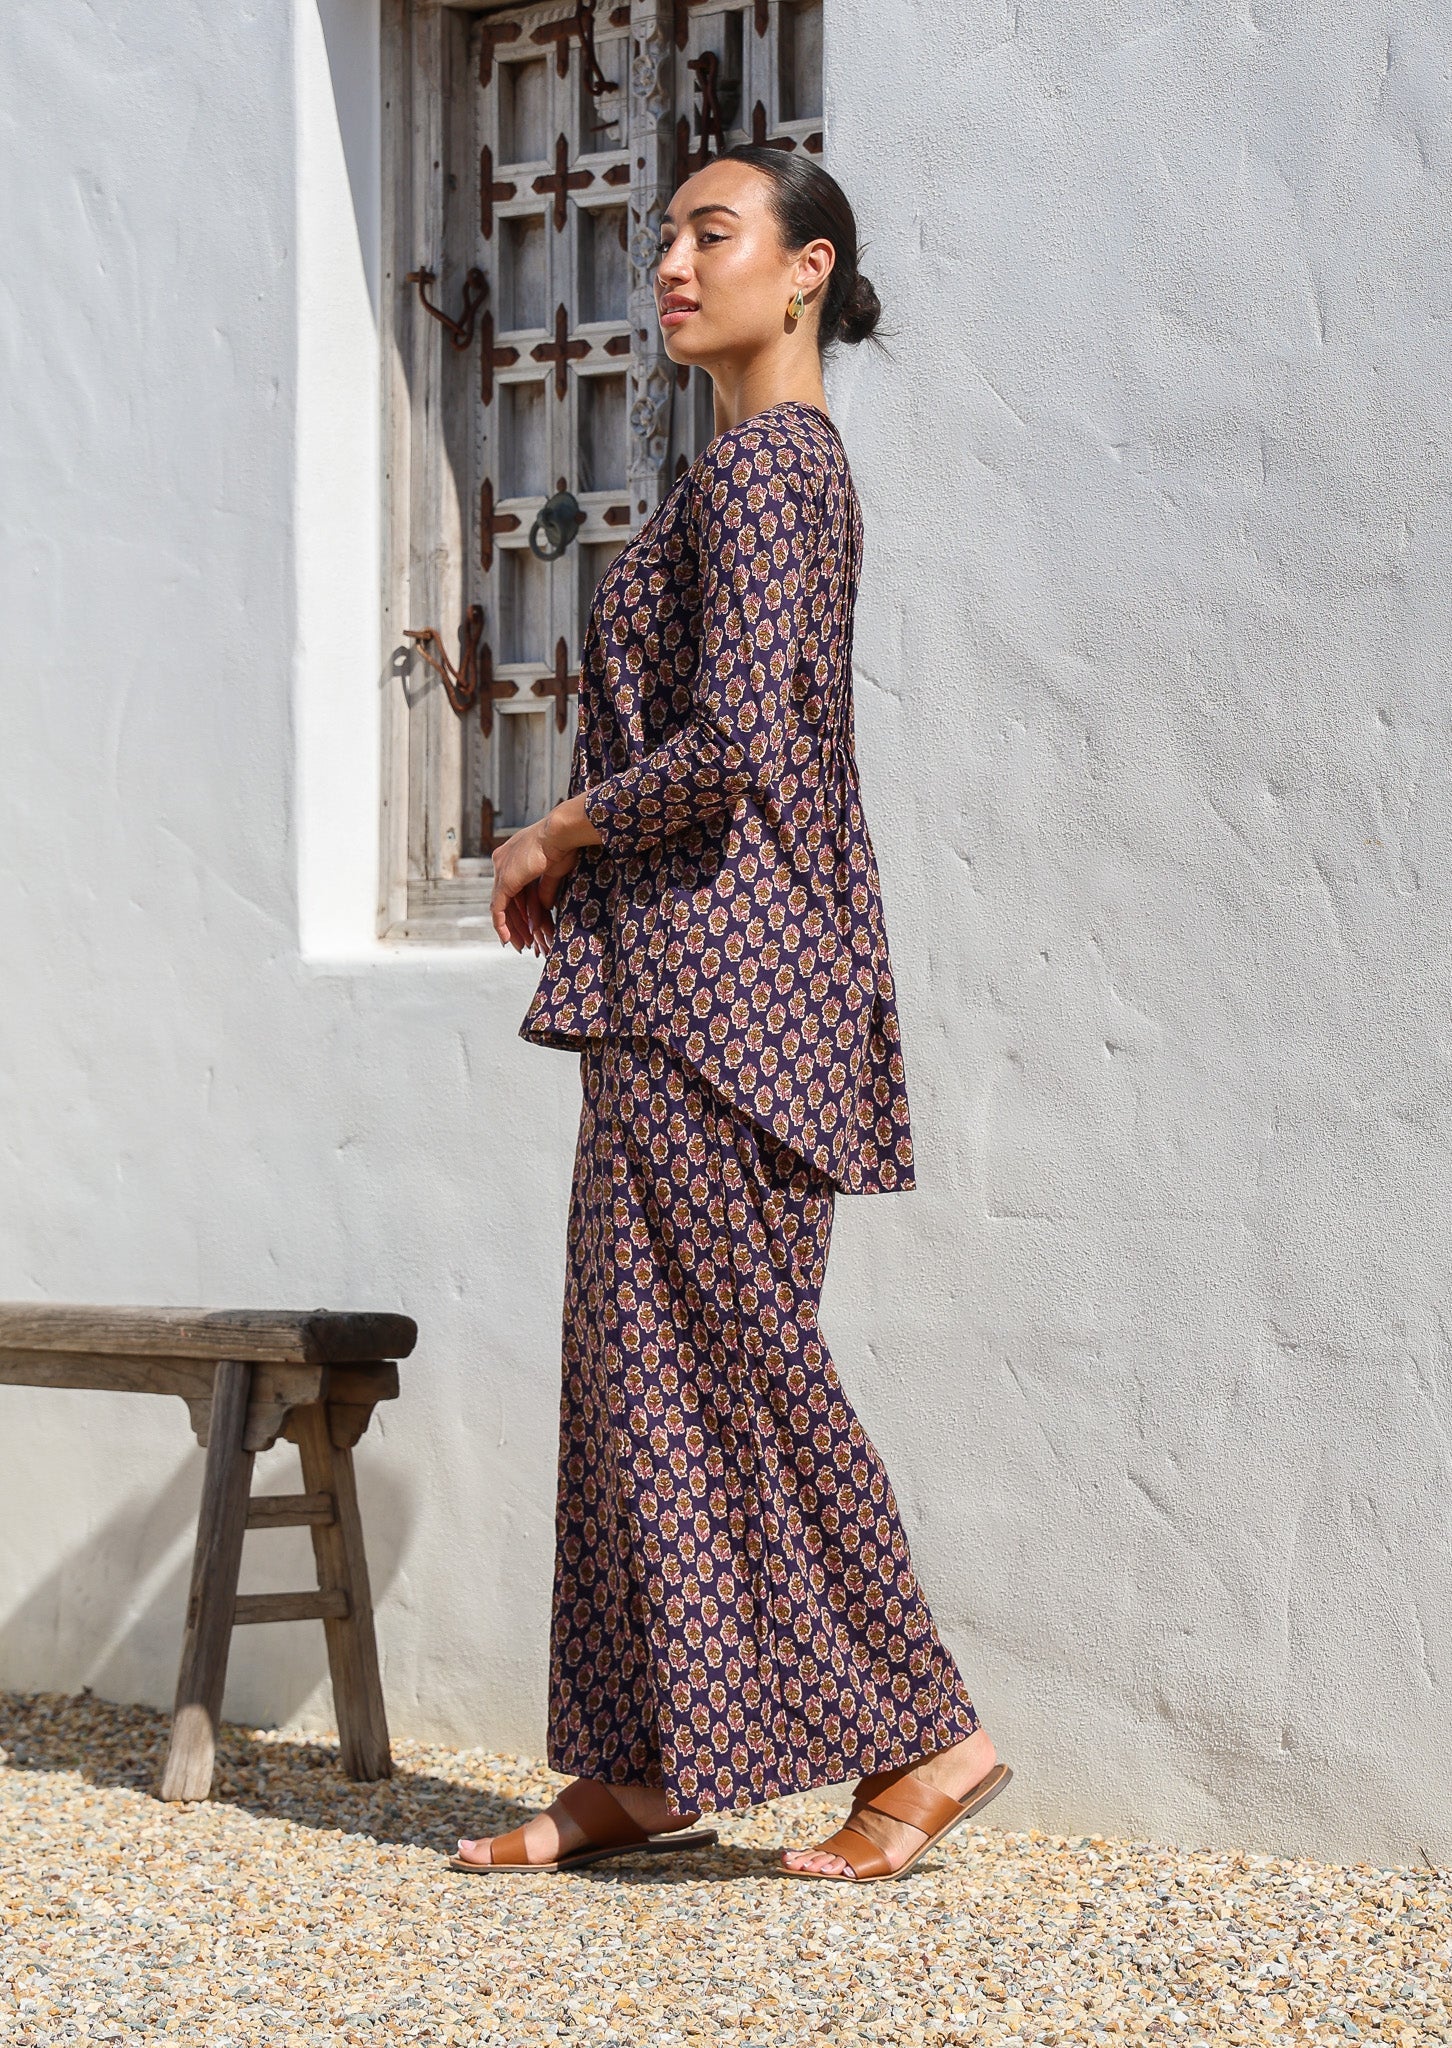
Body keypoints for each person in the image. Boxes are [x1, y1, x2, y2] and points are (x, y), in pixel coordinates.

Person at [452, 144, 1010, 1883]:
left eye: (715, 233)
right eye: (666, 235)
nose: (674, 262)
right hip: (680, 984)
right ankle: (645, 1765)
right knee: (640, 1375)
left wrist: (555, 825)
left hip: (732, 994)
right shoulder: (748, 474)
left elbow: (739, 749)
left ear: (808, 270)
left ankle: (929, 1740)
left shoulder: (776, 470)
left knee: (741, 1373)